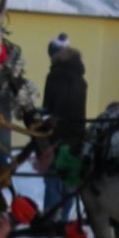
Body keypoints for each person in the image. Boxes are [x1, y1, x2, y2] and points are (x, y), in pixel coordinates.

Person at [40, 33, 88, 221]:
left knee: (52, 176)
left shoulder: (56, 75)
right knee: (68, 177)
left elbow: (53, 106)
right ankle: (65, 217)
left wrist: (44, 117)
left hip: (56, 134)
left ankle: (51, 215)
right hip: (76, 135)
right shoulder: (79, 76)